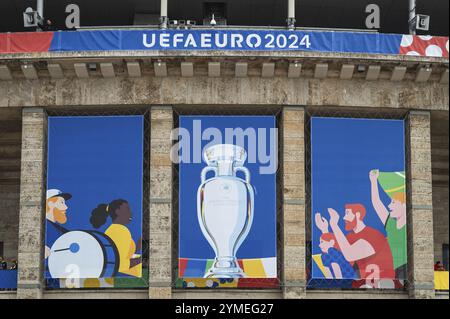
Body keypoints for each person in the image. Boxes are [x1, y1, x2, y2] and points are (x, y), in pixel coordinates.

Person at [316, 204, 395, 283]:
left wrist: (334, 225)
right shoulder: (350, 237)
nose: (344, 218)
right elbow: (337, 253)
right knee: (327, 256)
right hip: (362, 283)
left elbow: (349, 255)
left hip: (384, 284)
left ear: (357, 215)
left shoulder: (373, 234)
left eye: (347, 213)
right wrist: (324, 230)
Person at [369, 169, 407, 279]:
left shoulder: (410, 227)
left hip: (407, 268)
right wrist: (373, 181)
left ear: (404, 205)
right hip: (393, 269)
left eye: (393, 202)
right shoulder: (390, 224)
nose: (389, 206)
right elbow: (376, 202)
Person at [90, 199, 142, 277]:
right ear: (118, 211)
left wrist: (140, 243)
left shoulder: (113, 229)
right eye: (127, 209)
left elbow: (126, 253)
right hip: (123, 275)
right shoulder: (120, 231)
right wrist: (141, 260)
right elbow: (120, 264)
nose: (131, 213)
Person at [45, 189, 72, 258]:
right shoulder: (43, 227)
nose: (66, 207)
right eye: (62, 202)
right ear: (50, 204)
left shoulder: (59, 229)